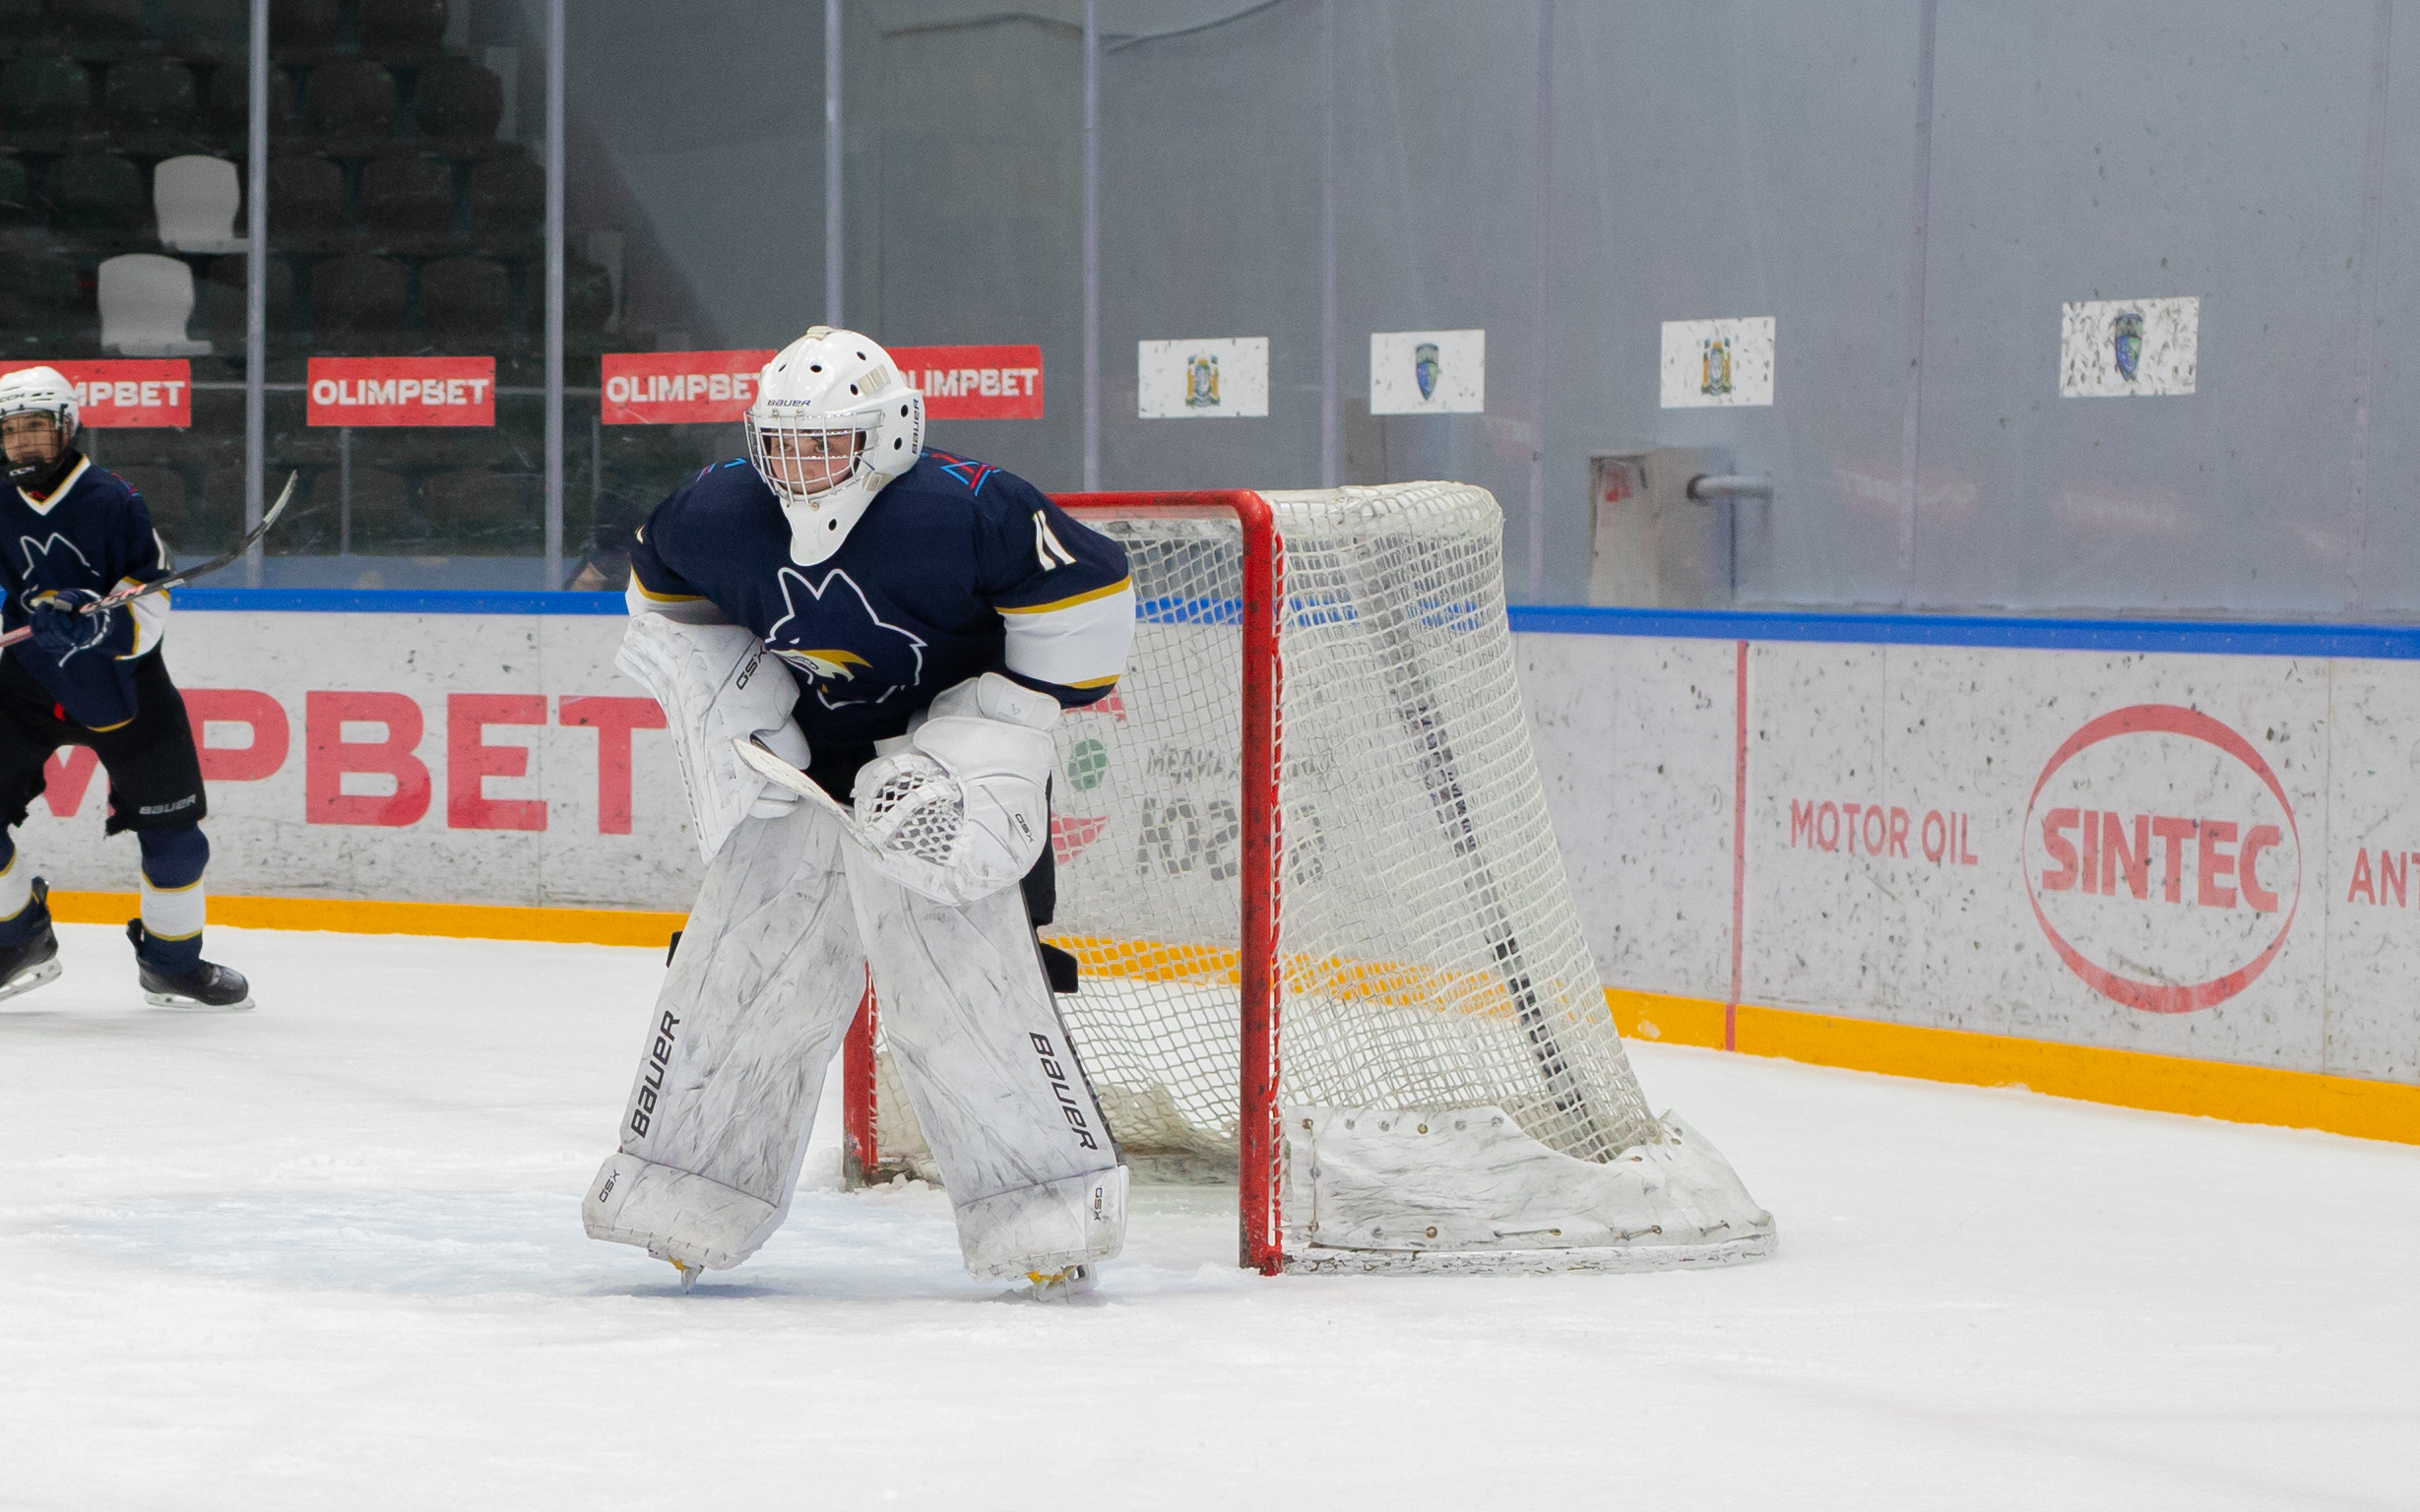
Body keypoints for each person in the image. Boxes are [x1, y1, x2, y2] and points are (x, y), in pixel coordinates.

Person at [583, 328, 1134, 1297]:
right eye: (781, 445)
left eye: (824, 444)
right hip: (803, 756)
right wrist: (739, 715)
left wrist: (981, 746)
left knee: (967, 987)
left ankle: (1042, 1207)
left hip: (943, 759)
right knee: (746, 972)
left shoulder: (970, 509)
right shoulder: (712, 512)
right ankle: (684, 1191)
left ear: (890, 433)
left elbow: (1079, 649)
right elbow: (672, 621)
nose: (798, 469)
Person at [0, 366, 251, 1009]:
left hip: (125, 691)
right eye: (10, 431)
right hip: (23, 688)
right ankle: (19, 938)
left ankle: (172, 965)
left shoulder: (114, 500)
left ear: (68, 426)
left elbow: (151, 603)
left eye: (35, 427)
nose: (22, 443)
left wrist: (95, 623)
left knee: (177, 842)